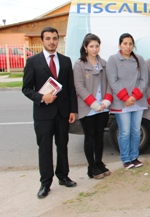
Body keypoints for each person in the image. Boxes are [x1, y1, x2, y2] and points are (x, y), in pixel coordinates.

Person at [22, 27, 78, 199]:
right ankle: (45, 183)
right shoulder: (33, 62)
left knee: (62, 146)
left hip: (62, 113)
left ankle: (63, 176)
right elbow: (26, 88)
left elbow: (70, 88)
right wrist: (41, 97)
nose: (52, 41)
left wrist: (73, 110)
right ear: (42, 41)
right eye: (48, 38)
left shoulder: (66, 61)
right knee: (45, 149)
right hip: (43, 114)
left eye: (54, 38)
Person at [106, 33, 148, 169]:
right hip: (121, 102)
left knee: (136, 131)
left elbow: (144, 80)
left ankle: (134, 157)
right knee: (124, 131)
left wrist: (134, 97)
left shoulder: (139, 59)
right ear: (120, 45)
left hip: (137, 101)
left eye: (130, 44)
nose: (128, 46)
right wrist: (125, 97)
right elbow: (113, 81)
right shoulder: (113, 60)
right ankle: (126, 159)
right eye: (125, 43)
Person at [73, 33, 112, 179]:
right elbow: (79, 86)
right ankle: (91, 166)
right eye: (91, 46)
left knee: (99, 136)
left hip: (103, 107)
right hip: (88, 107)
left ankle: (99, 162)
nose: (95, 49)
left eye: (97, 46)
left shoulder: (103, 63)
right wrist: (94, 104)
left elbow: (109, 84)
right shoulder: (79, 64)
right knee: (89, 137)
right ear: (85, 47)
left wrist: (106, 101)